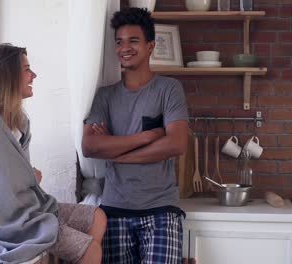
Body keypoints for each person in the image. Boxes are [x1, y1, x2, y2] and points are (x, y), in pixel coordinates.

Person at [0, 43, 106, 264]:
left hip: (27, 208)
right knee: (91, 251)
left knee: (97, 217)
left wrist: (27, 176)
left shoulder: (19, 121)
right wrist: (30, 176)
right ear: (9, 76)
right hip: (3, 221)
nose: (34, 75)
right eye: (27, 69)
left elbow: (14, 176)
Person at [82, 7, 189, 264]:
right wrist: (146, 137)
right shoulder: (104, 96)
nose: (124, 48)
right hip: (114, 209)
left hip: (161, 210)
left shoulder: (169, 89)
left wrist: (116, 152)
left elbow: (176, 143)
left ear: (150, 46)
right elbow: (90, 146)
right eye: (119, 42)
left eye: (133, 41)